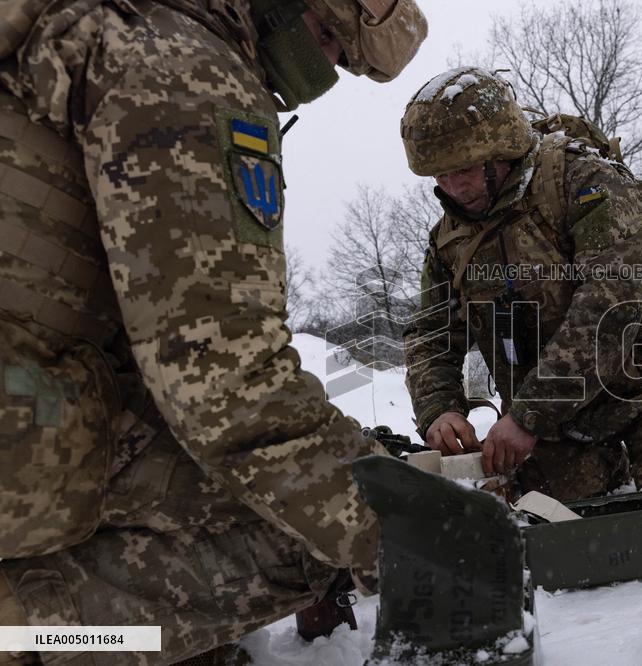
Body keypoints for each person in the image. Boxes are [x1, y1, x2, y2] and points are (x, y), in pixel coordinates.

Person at [0, 0, 426, 663]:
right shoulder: (189, 65)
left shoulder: (114, 26)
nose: (328, 68)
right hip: (22, 427)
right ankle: (29, 631)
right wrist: (403, 522)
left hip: (31, 397)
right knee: (287, 529)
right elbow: (229, 386)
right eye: (325, 39)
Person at [401, 67, 642, 509]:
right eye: (439, 175)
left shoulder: (585, 181)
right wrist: (440, 410)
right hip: (559, 418)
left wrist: (530, 414)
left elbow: (612, 308)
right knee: (558, 515)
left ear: (504, 151)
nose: (453, 187)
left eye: (464, 169)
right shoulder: (450, 241)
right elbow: (430, 334)